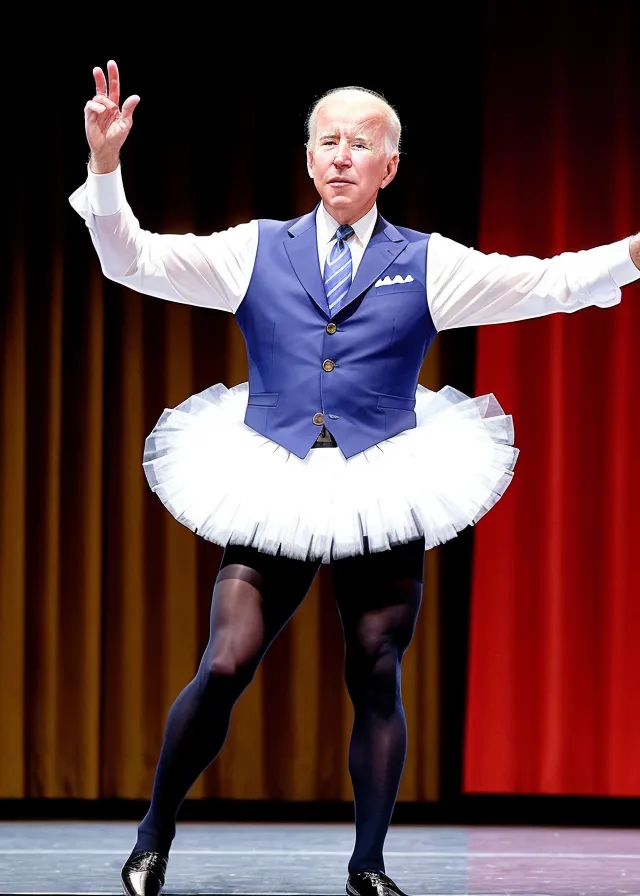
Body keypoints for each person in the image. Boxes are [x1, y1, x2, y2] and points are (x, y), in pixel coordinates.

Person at [69, 59, 640, 896]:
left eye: (361, 143)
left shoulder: (428, 261)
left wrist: (631, 251)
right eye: (328, 142)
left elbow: (545, 281)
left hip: (383, 476)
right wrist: (106, 167)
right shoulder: (255, 248)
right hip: (275, 475)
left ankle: (367, 866)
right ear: (309, 159)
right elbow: (132, 261)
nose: (342, 155)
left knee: (376, 666)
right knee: (225, 662)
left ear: (388, 166)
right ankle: (153, 834)